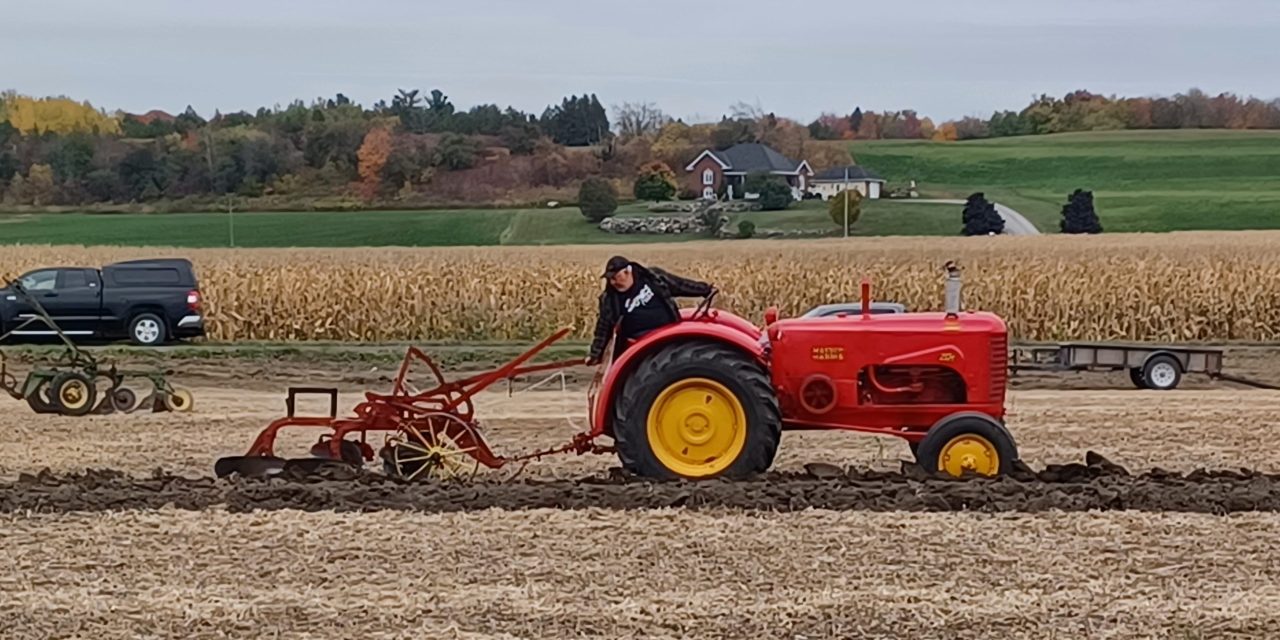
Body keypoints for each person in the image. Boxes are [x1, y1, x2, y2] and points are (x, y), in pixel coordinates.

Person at [585, 256, 714, 366]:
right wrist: (595, 354)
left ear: (628, 271)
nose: (613, 282)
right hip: (638, 344)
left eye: (616, 277)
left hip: (667, 332)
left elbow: (679, 285)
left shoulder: (653, 278)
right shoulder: (610, 300)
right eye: (610, 279)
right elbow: (603, 327)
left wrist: (704, 289)